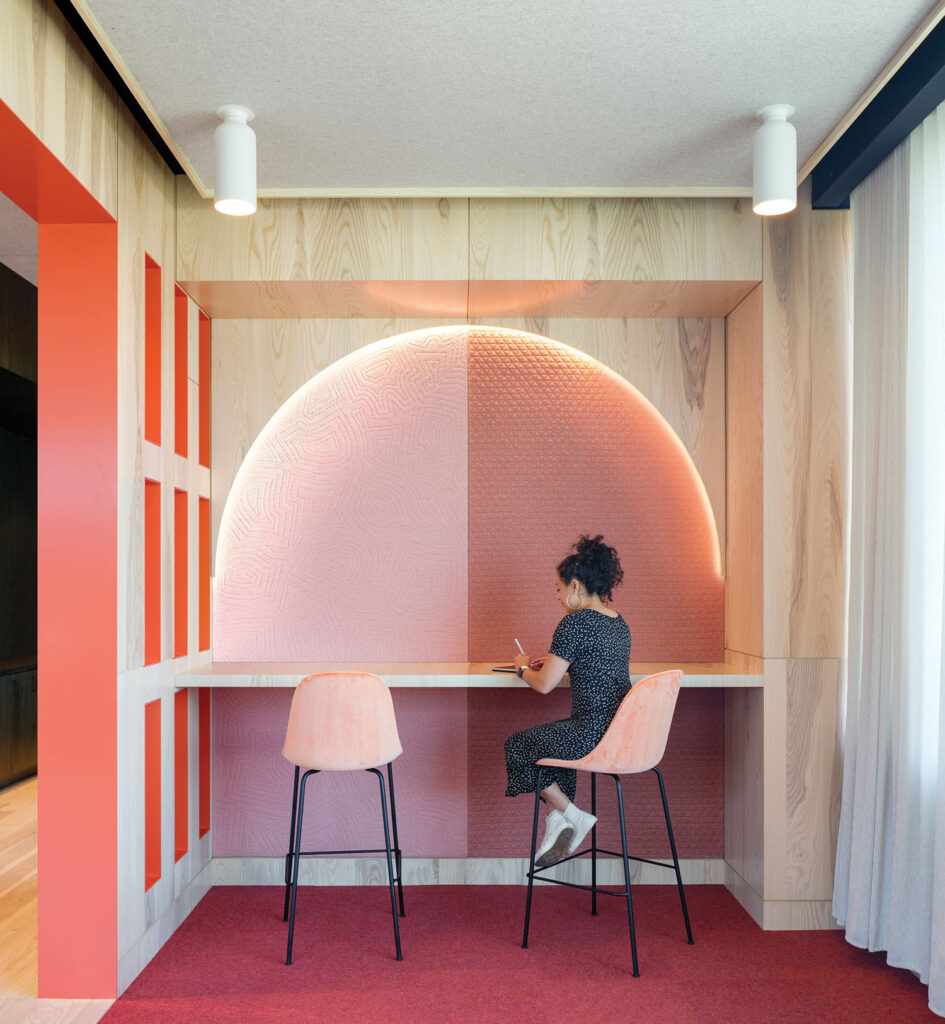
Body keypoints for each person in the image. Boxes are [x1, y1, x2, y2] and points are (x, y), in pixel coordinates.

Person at [505, 535, 632, 867]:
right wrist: (554, 657)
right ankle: (557, 824)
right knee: (553, 747)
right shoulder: (618, 624)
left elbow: (545, 685)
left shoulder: (573, 624)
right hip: (619, 734)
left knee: (518, 746)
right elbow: (593, 659)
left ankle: (574, 816)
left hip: (588, 735)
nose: (558, 595)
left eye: (559, 588)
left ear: (575, 586)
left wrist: (521, 668)